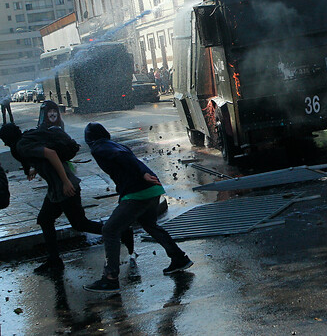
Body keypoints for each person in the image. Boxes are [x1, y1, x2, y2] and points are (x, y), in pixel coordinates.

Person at [0, 123, 133, 273]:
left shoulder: (22, 146)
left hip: (64, 187)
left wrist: (65, 182)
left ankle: (121, 232)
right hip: (56, 189)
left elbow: (51, 154)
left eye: (3, 140)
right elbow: (44, 157)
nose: (4, 143)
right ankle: (54, 260)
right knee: (45, 219)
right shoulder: (26, 139)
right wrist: (37, 169)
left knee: (80, 224)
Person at [83, 123, 192, 293]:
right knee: (150, 225)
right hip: (152, 189)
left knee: (110, 230)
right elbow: (126, 158)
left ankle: (110, 278)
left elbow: (124, 158)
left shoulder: (99, 147)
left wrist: (142, 173)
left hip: (138, 193)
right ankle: (179, 258)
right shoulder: (116, 144)